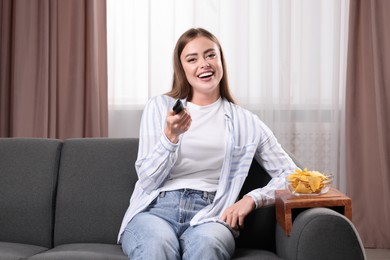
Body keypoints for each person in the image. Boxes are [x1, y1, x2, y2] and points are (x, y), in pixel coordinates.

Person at [118, 27, 298, 260]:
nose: (203, 63)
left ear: (221, 60)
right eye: (192, 59)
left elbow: (292, 174)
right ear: (182, 68)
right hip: (156, 211)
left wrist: (252, 199)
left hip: (212, 214)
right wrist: (170, 138)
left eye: (210, 55)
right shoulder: (160, 108)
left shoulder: (247, 122)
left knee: (208, 246)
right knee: (156, 246)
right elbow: (147, 180)